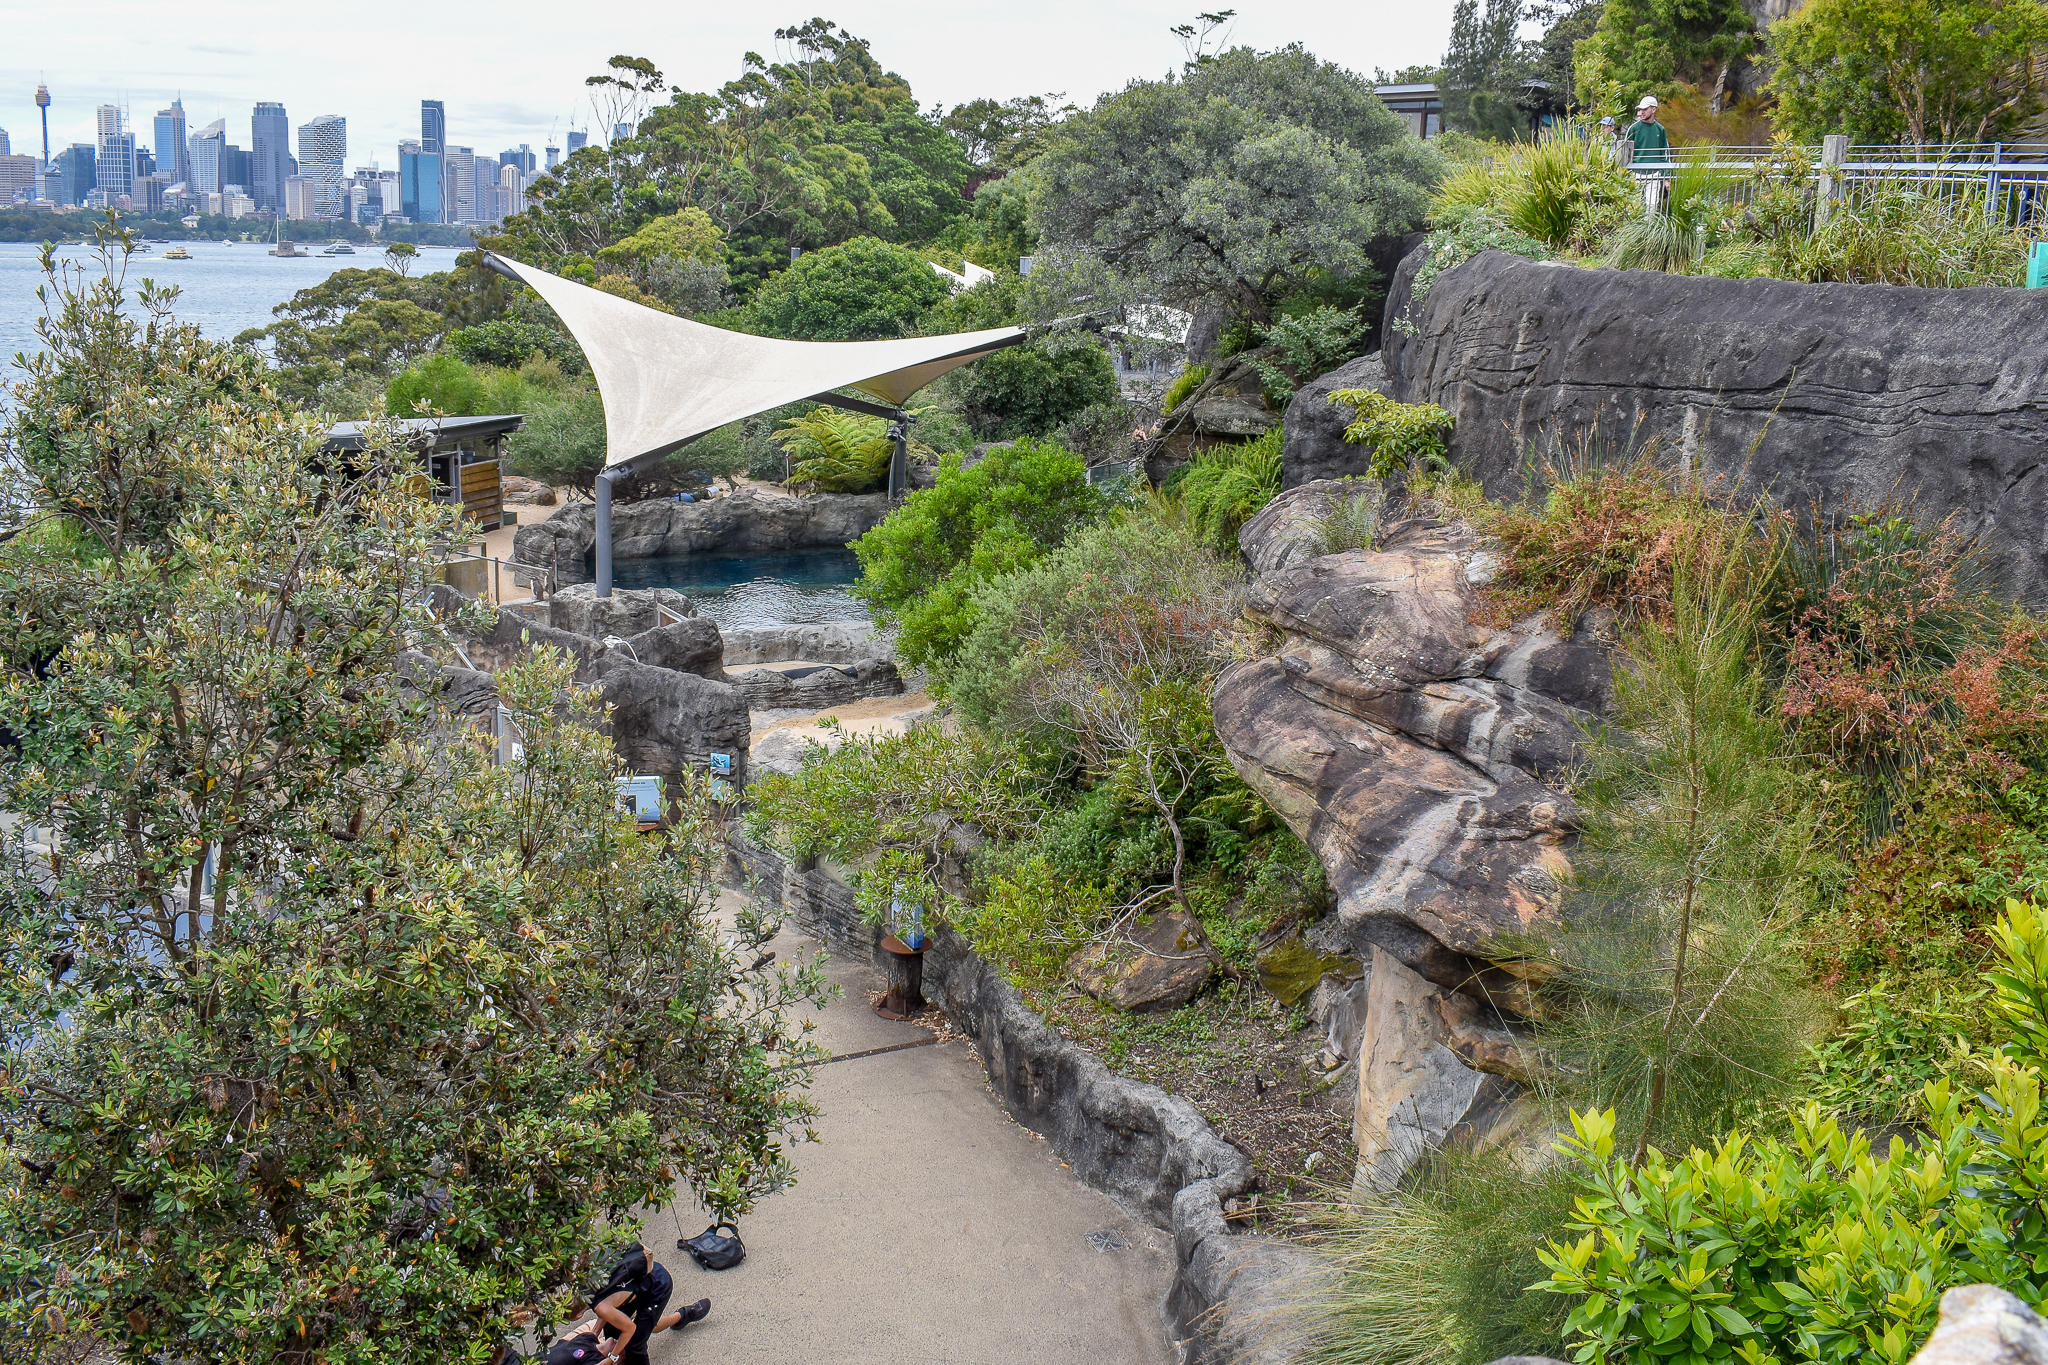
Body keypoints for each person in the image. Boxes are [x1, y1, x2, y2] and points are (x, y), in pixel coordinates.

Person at [586, 1242, 712, 1363]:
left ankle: (683, 1315)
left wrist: (612, 1356)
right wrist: (596, 1334)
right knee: (619, 1332)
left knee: (635, 1344)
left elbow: (628, 1327)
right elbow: (606, 1304)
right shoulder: (586, 1288)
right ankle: (681, 1317)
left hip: (656, 1284)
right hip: (633, 1286)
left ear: (579, 1315)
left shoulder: (592, 1294)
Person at [1625, 95, 1671, 211]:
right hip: (1635, 173)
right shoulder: (1633, 128)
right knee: (1633, 207)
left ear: (1653, 109)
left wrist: (1666, 175)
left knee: (1652, 206)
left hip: (1654, 174)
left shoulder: (1660, 129)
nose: (1642, 112)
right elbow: (1625, 152)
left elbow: (1664, 153)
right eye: (1641, 109)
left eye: (1645, 109)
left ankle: (1649, 223)